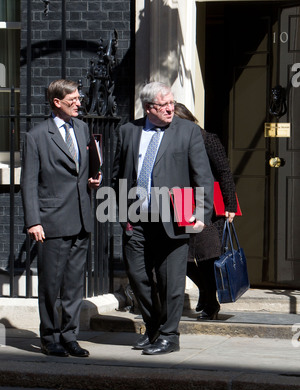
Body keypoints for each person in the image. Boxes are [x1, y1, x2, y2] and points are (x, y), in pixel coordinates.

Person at [112, 82, 214, 355]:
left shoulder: (188, 132)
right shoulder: (128, 132)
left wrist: (202, 212)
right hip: (137, 219)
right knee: (138, 277)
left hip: (174, 219)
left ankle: (170, 336)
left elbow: (203, 176)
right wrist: (122, 216)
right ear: (148, 108)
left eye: (171, 103)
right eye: (163, 105)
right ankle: (154, 327)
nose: (170, 108)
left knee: (171, 281)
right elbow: (118, 175)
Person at [21, 79, 101, 357]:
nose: (79, 103)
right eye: (73, 99)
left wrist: (91, 180)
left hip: (80, 218)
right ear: (57, 102)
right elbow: (29, 182)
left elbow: (82, 170)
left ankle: (69, 336)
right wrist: (33, 221)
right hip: (52, 221)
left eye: (79, 98)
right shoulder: (37, 136)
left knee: (74, 284)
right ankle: (49, 336)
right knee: (50, 283)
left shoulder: (82, 128)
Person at [174, 103, 237, 320]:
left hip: (206, 202)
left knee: (207, 255)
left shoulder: (207, 139)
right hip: (180, 200)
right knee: (182, 255)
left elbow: (224, 172)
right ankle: (206, 291)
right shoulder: (173, 141)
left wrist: (230, 206)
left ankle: (211, 304)